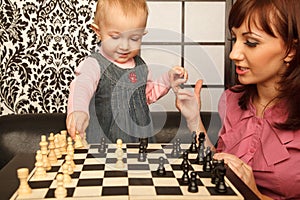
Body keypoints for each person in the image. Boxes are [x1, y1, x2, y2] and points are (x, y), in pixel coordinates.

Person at [175, 0, 300, 199]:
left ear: (290, 51)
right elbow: (219, 162)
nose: (233, 54)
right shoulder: (231, 99)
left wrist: (255, 196)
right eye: (235, 39)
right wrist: (193, 119)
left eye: (251, 42)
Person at [66, 0, 187, 143]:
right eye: (115, 37)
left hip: (141, 139)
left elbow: (146, 95)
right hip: (107, 142)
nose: (124, 46)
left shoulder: (141, 66)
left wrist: (167, 79)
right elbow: (82, 86)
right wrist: (78, 110)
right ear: (98, 32)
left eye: (134, 38)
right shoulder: (94, 64)